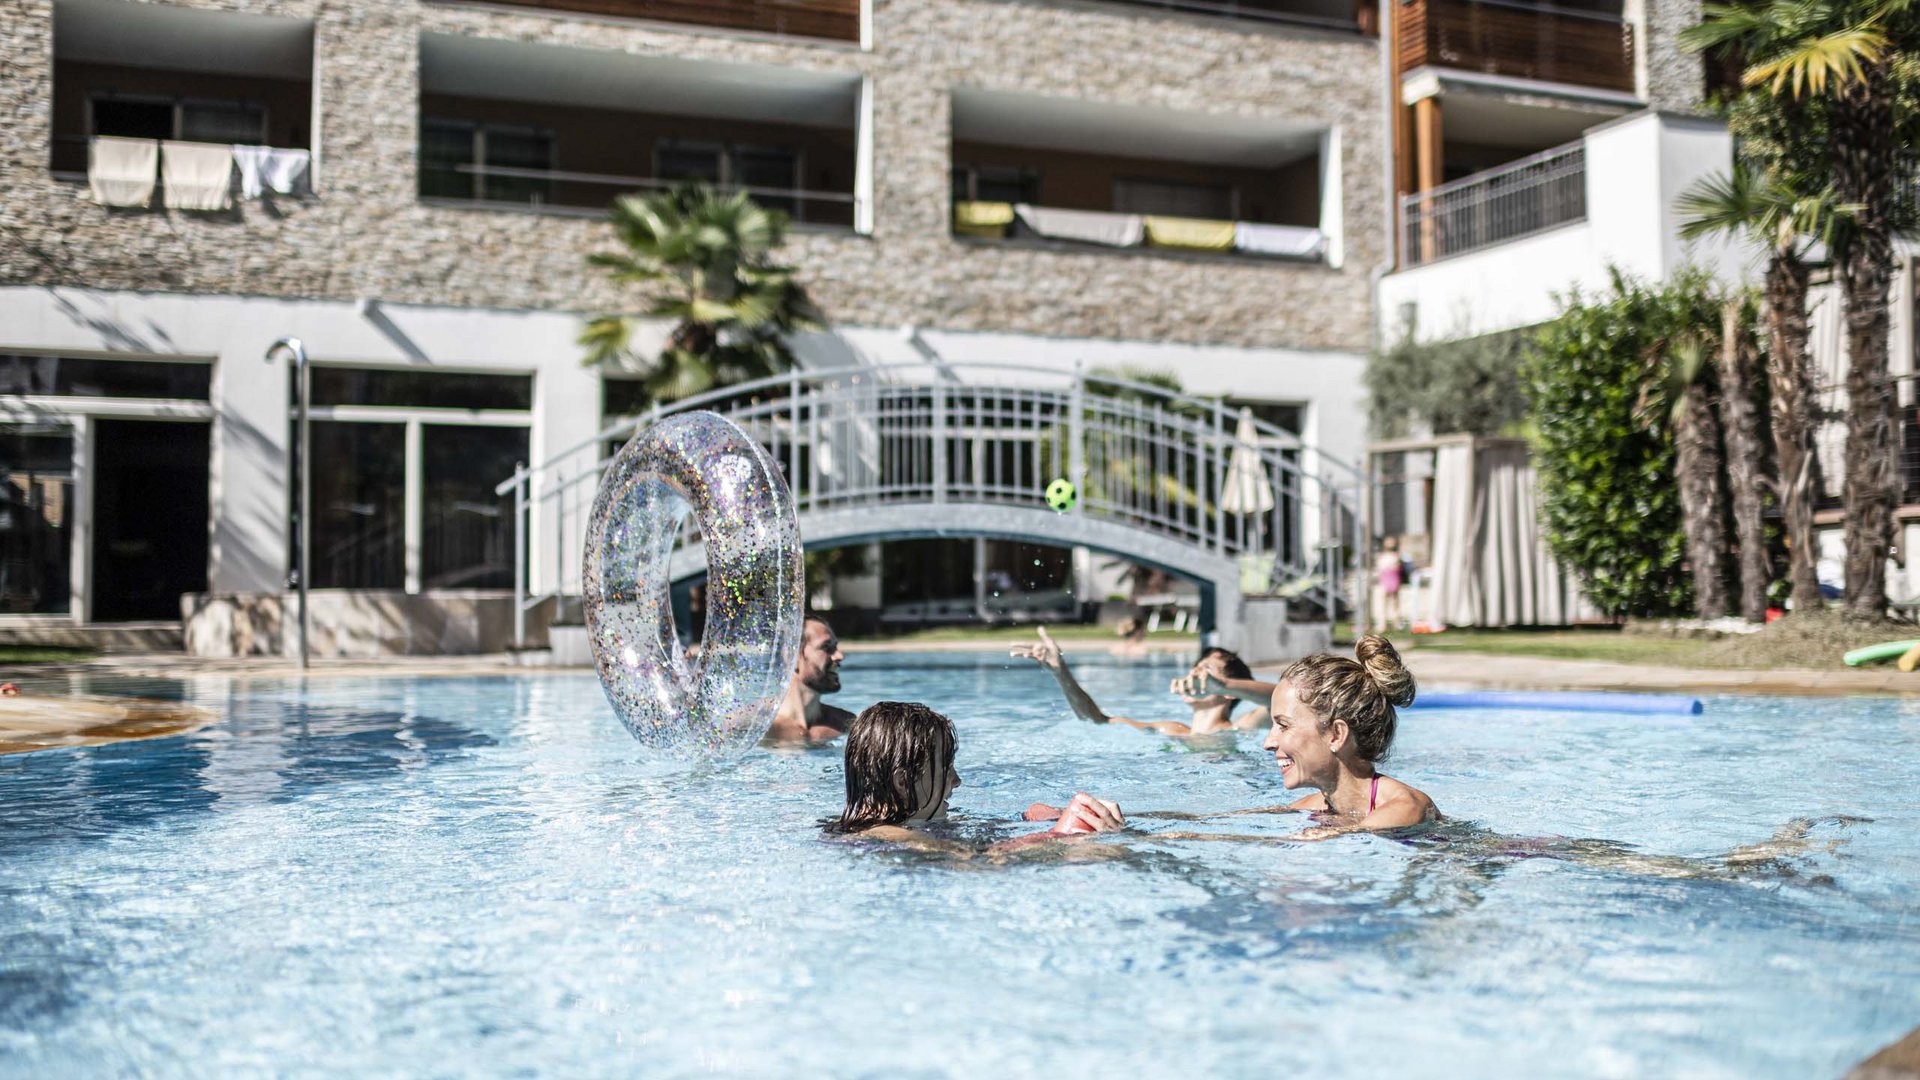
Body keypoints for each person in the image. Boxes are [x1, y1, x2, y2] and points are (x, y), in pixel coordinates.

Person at [1155, 635, 1439, 839]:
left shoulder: (1405, 808)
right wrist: (1126, 826)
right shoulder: (1316, 805)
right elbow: (1216, 823)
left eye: (1283, 726)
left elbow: (1335, 840)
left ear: (1336, 735)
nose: (1268, 742)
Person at [824, 701, 1126, 857]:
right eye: (946, 768)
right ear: (903, 782)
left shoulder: (906, 820)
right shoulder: (886, 836)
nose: (956, 782)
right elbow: (979, 861)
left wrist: (1028, 818)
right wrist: (1066, 836)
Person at [1009, 625, 1266, 736]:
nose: (1194, 674)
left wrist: (1225, 686)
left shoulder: (1240, 729)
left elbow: (1281, 700)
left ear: (1231, 692)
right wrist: (1060, 671)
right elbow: (1097, 721)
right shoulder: (1172, 731)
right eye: (1195, 667)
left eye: (1207, 669)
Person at [766, 614, 854, 745]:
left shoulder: (847, 725)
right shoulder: (758, 727)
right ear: (792, 657)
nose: (839, 656)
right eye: (826, 647)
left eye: (835, 647)